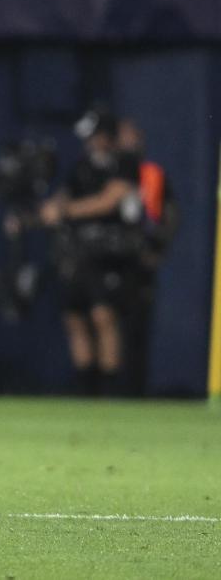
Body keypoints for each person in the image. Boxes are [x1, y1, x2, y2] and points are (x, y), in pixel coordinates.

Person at [39, 109, 142, 396]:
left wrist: (65, 211)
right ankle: (86, 387)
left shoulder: (124, 164)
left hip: (109, 254)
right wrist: (48, 210)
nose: (91, 142)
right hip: (78, 253)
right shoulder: (81, 167)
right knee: (74, 317)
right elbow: (62, 198)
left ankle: (110, 388)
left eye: (96, 136)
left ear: (107, 136)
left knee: (103, 316)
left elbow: (109, 201)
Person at [116, 118, 177, 395]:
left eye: (133, 137)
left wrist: (157, 249)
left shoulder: (151, 175)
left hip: (139, 260)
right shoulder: (108, 172)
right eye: (123, 137)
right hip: (108, 260)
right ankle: (102, 393)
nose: (129, 143)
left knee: (136, 328)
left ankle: (133, 392)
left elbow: (170, 215)